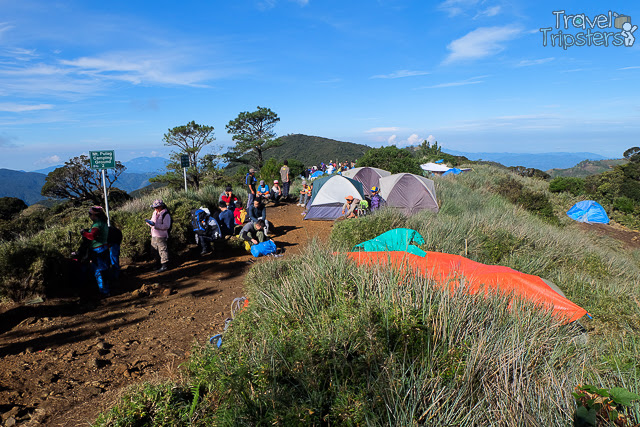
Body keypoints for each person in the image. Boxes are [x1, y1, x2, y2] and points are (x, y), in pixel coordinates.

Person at [81, 206, 111, 296]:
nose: (89, 216)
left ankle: (104, 291)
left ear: (95, 215)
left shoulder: (97, 224)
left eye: (90, 214)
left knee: (99, 271)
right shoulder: (103, 223)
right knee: (105, 270)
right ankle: (106, 289)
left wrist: (84, 233)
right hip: (104, 248)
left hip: (98, 250)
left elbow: (92, 236)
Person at [147, 199, 171, 273]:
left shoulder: (166, 214)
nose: (155, 209)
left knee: (162, 250)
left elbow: (166, 226)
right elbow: (152, 221)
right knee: (154, 250)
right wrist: (150, 223)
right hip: (154, 235)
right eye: (154, 207)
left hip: (161, 236)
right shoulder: (154, 213)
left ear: (161, 206)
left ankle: (164, 265)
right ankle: (157, 264)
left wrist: (155, 225)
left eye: (157, 207)